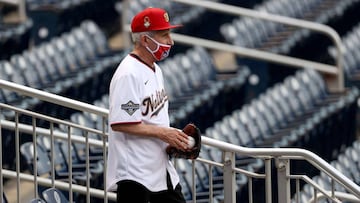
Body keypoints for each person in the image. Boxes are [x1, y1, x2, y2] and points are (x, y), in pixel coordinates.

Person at [106, 7, 190, 203]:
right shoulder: (128, 74)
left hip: (159, 168)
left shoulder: (155, 70)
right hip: (135, 176)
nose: (171, 41)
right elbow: (121, 123)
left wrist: (172, 140)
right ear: (145, 40)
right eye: (164, 35)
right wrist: (164, 133)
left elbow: (152, 118)